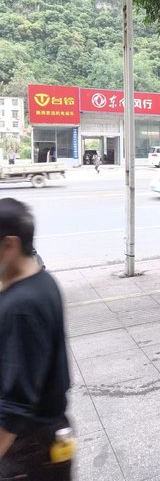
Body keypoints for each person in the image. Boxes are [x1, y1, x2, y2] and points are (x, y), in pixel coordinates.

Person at [0, 198, 72, 480]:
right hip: (49, 435)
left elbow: (14, 407)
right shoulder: (43, 280)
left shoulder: (22, 307)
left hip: (28, 450)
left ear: (10, 245)